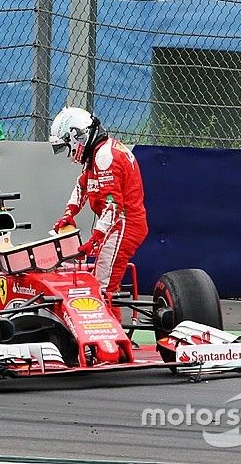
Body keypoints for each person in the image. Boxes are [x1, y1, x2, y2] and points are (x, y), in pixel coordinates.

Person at [49, 106, 149, 322]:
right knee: (104, 283)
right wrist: (70, 212)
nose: (69, 153)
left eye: (68, 145)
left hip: (125, 224)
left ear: (76, 135)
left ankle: (112, 341)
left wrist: (95, 238)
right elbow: (82, 185)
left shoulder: (105, 157)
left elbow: (113, 206)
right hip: (121, 223)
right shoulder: (99, 152)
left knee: (103, 286)